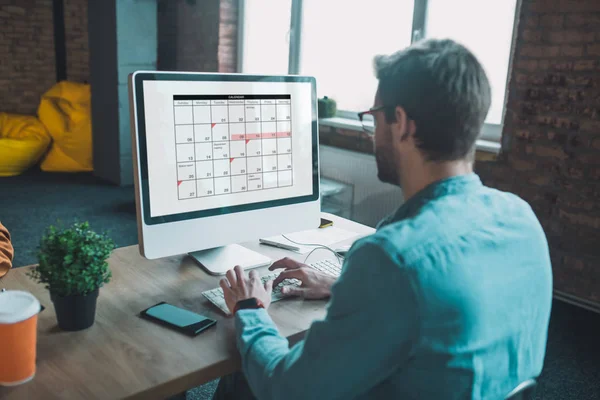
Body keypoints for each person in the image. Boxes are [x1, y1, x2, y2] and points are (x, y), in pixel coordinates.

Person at [214, 38, 553, 400]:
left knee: (245, 376)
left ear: (402, 123)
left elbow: (286, 387)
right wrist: (343, 284)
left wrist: (249, 309)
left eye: (373, 117)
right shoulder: (523, 219)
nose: (373, 131)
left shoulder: (390, 258)